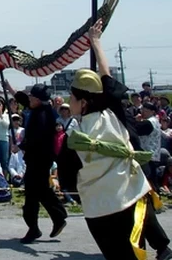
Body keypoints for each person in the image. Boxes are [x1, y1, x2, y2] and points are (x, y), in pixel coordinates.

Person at [65, 19, 171, 260]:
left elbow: (69, 177)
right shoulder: (114, 111)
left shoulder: (74, 137)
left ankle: (163, 248)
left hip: (100, 209)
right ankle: (163, 248)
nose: (67, 101)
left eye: (71, 97)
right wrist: (96, 42)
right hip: (130, 193)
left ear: (83, 102)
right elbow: (106, 75)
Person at [19, 83, 67, 244]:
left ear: (38, 99)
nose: (29, 98)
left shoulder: (42, 116)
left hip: (39, 159)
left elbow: (36, 139)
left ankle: (35, 228)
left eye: (32, 96)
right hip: (39, 159)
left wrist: (20, 146)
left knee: (33, 194)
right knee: (40, 191)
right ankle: (57, 217)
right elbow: (25, 101)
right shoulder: (42, 110)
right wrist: (11, 89)